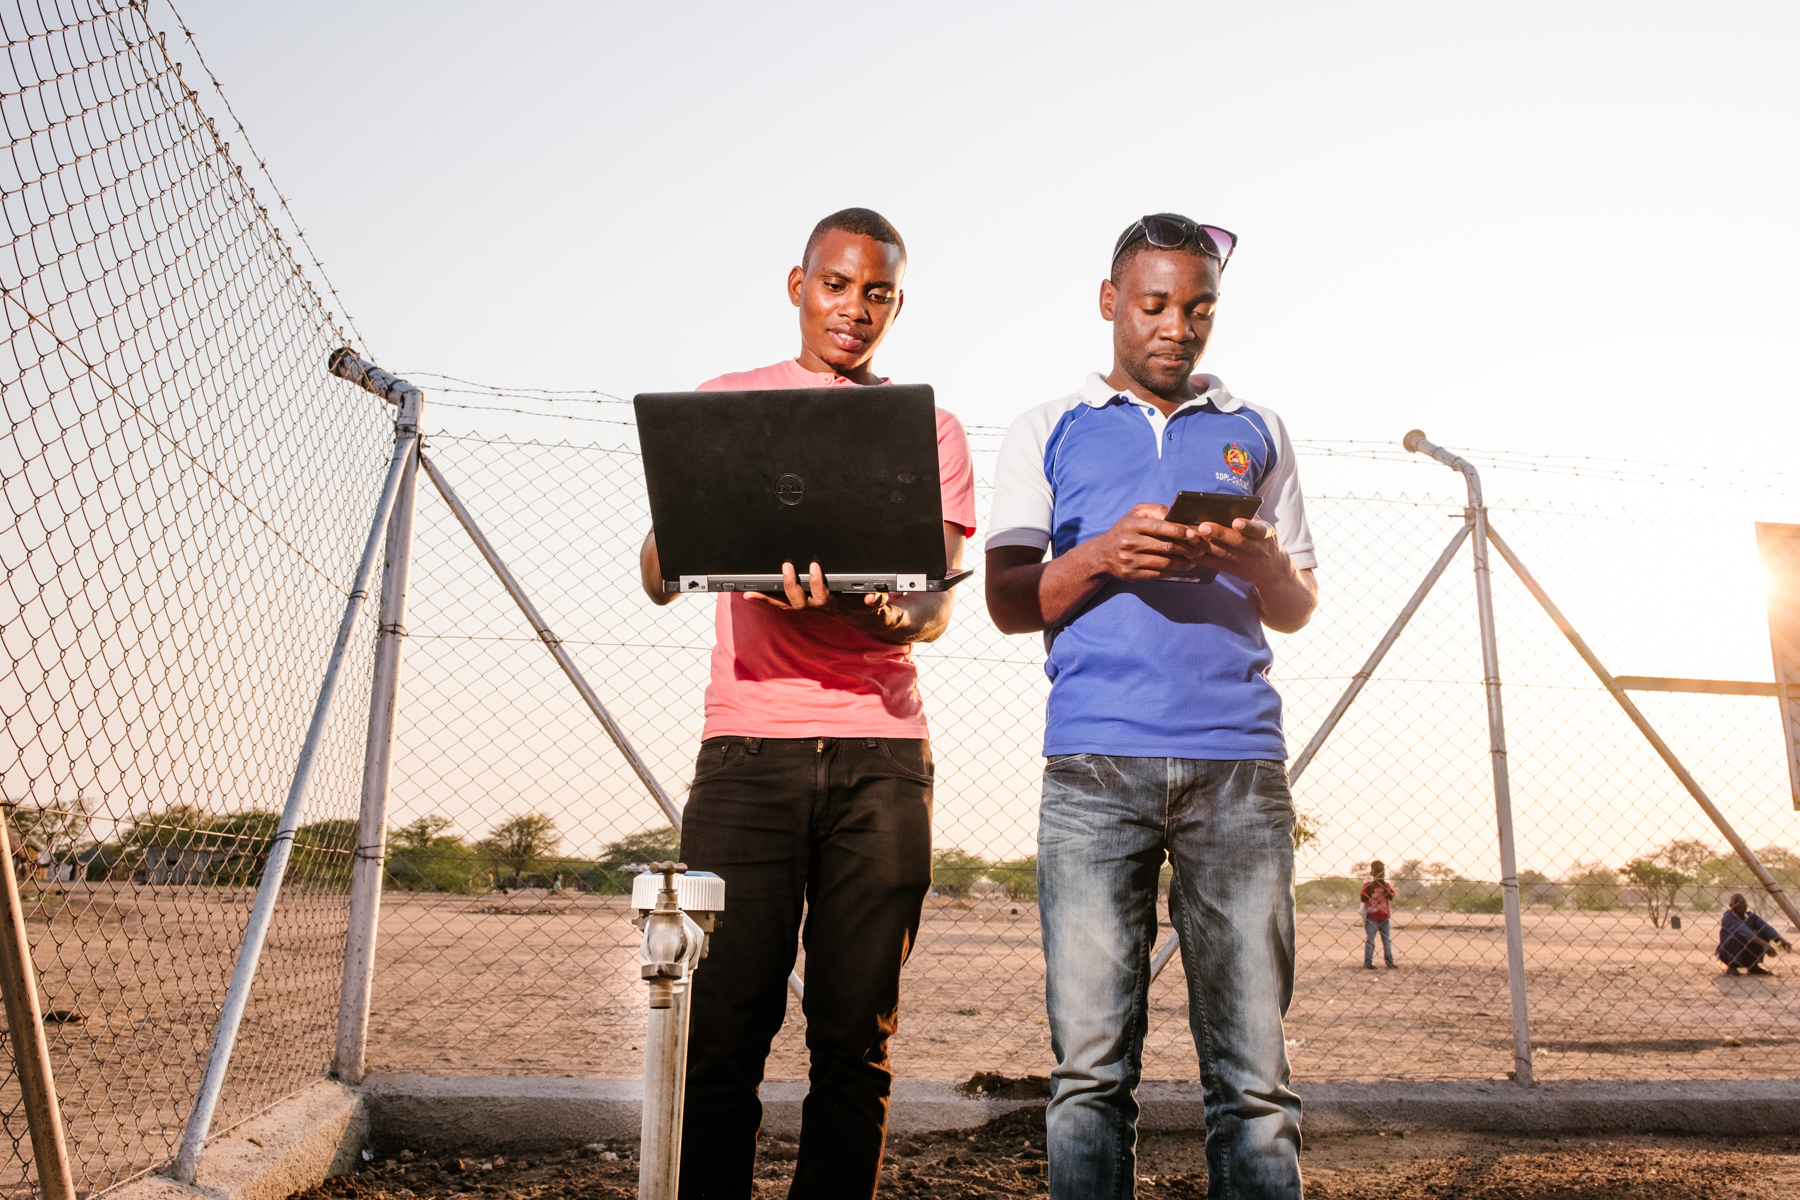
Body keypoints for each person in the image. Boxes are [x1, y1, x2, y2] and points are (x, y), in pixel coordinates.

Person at [637, 207, 977, 1200]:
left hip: (881, 758)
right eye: (837, 286)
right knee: (724, 1027)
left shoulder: (931, 430)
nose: (854, 308)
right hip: (749, 752)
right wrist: (713, 530)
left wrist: (879, 610)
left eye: (877, 293)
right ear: (798, 286)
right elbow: (661, 572)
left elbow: (934, 609)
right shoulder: (726, 406)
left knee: (854, 1036)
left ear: (897, 304)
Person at [985, 214, 1319, 1199]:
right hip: (1094, 771)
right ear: (1111, 304)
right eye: (1156, 304)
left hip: (1238, 772)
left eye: (1199, 307)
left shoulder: (1255, 428)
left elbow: (1297, 606)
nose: (1178, 326)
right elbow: (1009, 603)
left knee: (1255, 1084)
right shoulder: (1049, 427)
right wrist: (1098, 557)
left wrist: (1261, 562)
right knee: (1090, 1077)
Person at [1718, 892, 1792, 976]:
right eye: (1737, 902)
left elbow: (1765, 927)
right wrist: (1764, 944)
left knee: (1763, 933)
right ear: (1731, 906)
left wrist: (1781, 940)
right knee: (1738, 935)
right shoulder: (1728, 917)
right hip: (1729, 951)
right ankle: (1732, 966)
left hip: (1745, 949)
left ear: (1746, 906)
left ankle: (1754, 965)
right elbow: (1744, 931)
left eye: (1742, 902)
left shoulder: (1751, 917)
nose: (1740, 905)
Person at [1361, 860, 1396, 969]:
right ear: (1372, 874)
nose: (1380, 876)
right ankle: (1368, 962)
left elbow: (1391, 897)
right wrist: (1370, 891)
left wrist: (1384, 888)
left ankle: (1389, 961)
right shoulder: (1368, 885)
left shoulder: (1386, 885)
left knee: (1386, 940)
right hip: (1372, 917)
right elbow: (1363, 898)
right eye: (1377, 873)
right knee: (1370, 940)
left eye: (1382, 873)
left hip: (1384, 917)